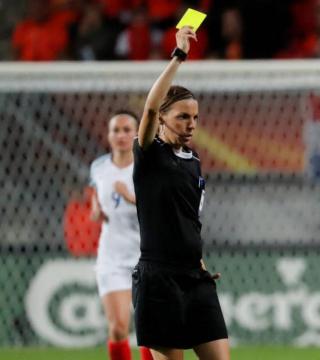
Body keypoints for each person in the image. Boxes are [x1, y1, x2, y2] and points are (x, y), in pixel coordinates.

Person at [132, 26, 229, 360]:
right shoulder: (149, 154)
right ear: (162, 118)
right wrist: (179, 56)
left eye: (195, 118)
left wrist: (199, 263)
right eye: (182, 116)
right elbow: (147, 108)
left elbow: (189, 221)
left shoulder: (195, 162)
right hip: (159, 279)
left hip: (195, 277)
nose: (191, 124)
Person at [89, 110, 153, 360]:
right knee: (118, 328)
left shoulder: (147, 166)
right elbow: (96, 193)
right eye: (116, 130)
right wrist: (96, 208)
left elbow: (157, 209)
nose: (121, 135)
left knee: (149, 331)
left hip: (145, 257)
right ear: (108, 135)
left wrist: (129, 197)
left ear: (137, 134)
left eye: (127, 130)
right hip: (112, 257)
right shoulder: (99, 167)